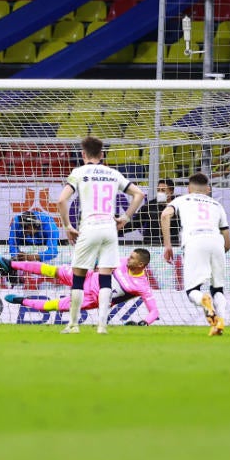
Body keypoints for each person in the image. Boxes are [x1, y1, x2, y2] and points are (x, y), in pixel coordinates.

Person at [56, 136, 146, 334]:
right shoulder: (113, 173)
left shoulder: (79, 172)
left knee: (78, 277)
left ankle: (73, 325)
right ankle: (102, 326)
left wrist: (68, 226)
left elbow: (61, 201)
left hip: (89, 226)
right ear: (102, 154)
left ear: (83, 154)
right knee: (105, 278)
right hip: (109, 227)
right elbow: (139, 194)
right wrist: (125, 217)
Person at [0, 248, 160, 325]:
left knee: (52, 306)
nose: (128, 259)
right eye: (129, 256)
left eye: (132, 258)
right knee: (52, 270)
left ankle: (21, 300)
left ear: (140, 264)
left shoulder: (142, 286)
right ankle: (11, 264)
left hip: (89, 299)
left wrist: (144, 323)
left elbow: (154, 312)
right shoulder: (122, 261)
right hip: (87, 277)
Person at [161, 173, 230, 336]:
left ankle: (205, 302)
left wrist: (168, 245)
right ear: (208, 189)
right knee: (218, 288)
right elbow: (228, 240)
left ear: (188, 189)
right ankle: (219, 322)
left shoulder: (182, 200)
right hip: (216, 241)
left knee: (192, 290)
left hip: (195, 240)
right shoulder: (217, 204)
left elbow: (165, 215)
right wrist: (220, 250)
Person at [3, 211, 60, 278]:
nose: (24, 231)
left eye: (27, 228)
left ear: (35, 225)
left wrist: (31, 257)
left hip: (43, 240)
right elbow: (12, 244)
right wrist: (16, 258)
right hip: (23, 241)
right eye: (23, 228)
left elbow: (53, 252)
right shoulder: (17, 222)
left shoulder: (50, 227)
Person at [122, 178, 178, 243]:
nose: (160, 192)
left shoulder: (177, 206)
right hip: (150, 244)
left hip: (172, 244)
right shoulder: (150, 206)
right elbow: (135, 223)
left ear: (171, 192)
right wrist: (118, 228)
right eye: (158, 190)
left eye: (163, 190)